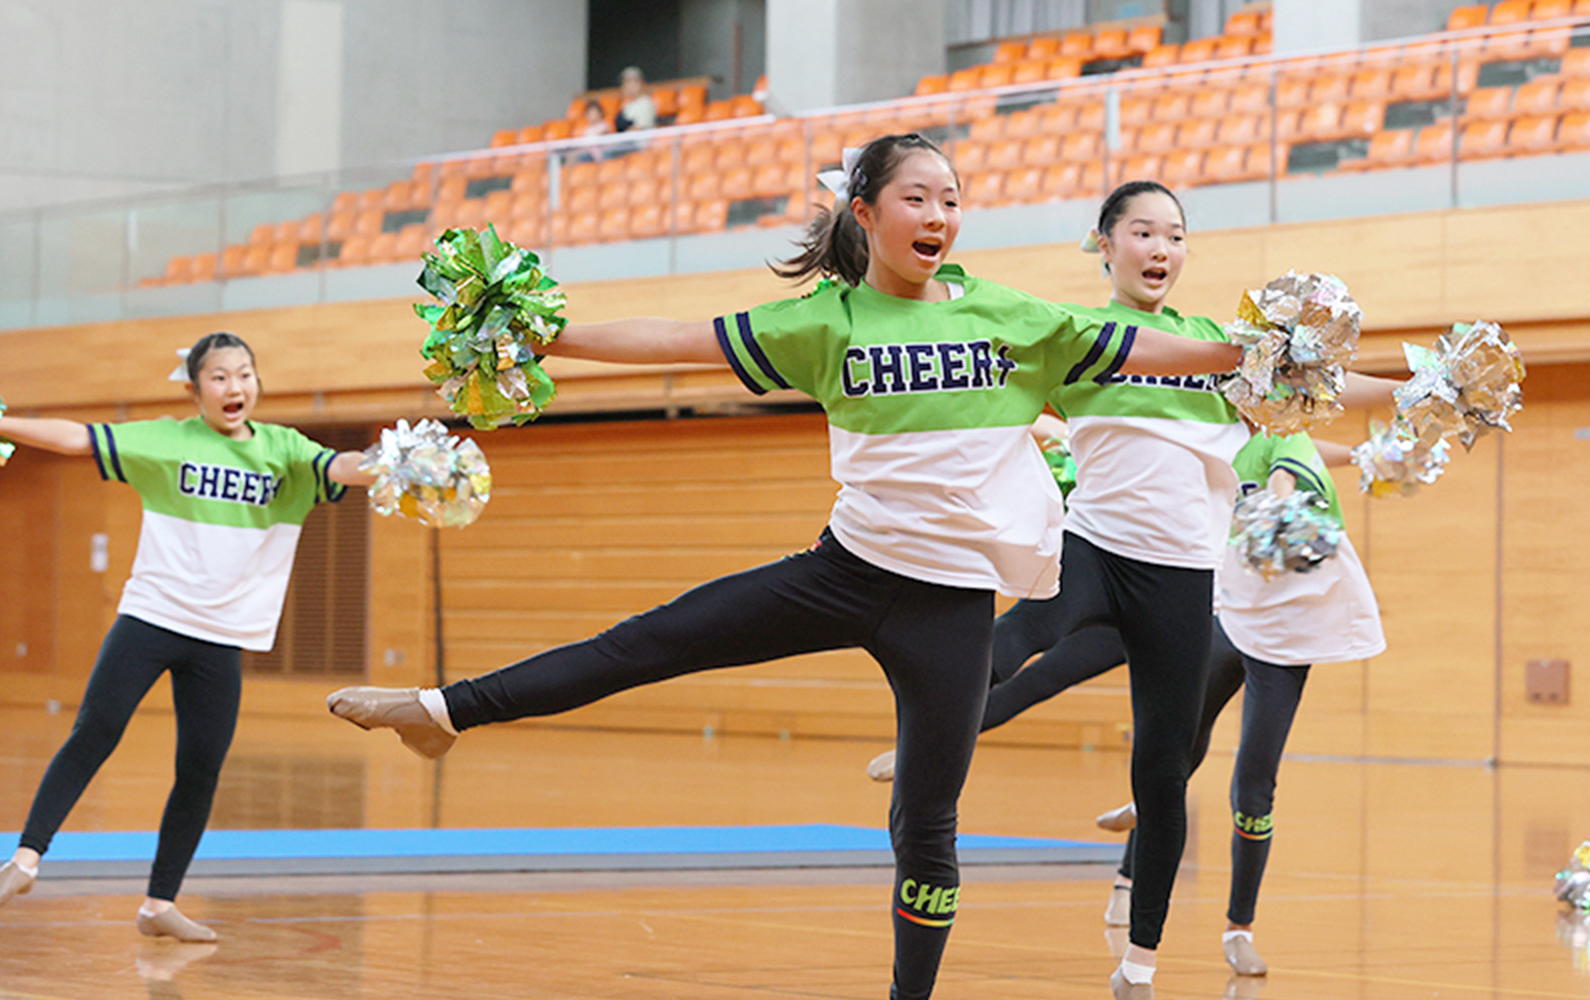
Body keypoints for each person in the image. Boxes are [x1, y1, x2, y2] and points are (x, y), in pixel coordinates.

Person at [324, 133, 1246, 1000]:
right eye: (916, 197)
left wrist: (1255, 354)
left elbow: (1163, 352)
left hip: (952, 613)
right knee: (650, 641)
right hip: (843, 574)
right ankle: (444, 711)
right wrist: (547, 337)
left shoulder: (1015, 317)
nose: (938, 214)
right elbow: (678, 338)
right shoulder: (826, 320)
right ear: (864, 213)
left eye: (952, 200)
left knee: (925, 829)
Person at [868, 180, 1400, 1000]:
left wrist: (1408, 394)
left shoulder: (1217, 346)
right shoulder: (1078, 337)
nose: (1161, 249)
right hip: (1091, 549)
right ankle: (924, 757)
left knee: (1162, 768)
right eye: (1143, 232)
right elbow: (974, 365)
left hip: (1182, 579)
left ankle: (1141, 963)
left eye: (1176, 236)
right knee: (1004, 648)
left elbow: (1323, 388)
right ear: (1105, 243)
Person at [0, 332, 382, 941]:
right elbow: (77, 437)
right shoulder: (167, 439)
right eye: (218, 377)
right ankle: (26, 858)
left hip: (222, 638)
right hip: (151, 618)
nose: (234, 386)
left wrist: (401, 460)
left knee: (200, 769)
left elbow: (344, 468)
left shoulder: (284, 450)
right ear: (194, 390)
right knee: (95, 732)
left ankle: (158, 905)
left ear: (257, 382)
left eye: (244, 373)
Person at [1096, 431, 1386, 979]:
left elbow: (1292, 463)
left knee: (1254, 785)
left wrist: (1380, 446)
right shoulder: (1221, 437)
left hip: (1288, 635)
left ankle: (1239, 929)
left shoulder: (1292, 440)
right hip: (1227, 616)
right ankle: (1128, 876)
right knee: (1175, 750)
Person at [613, 66, 657, 133]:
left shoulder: (645, 102)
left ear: (641, 83)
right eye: (628, 81)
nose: (632, 84)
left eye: (635, 81)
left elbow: (640, 128)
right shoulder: (627, 104)